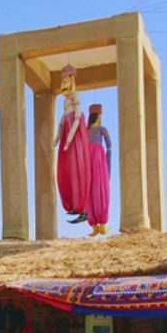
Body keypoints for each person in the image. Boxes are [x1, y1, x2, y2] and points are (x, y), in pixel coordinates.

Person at [56, 65, 91, 222]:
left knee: (78, 166)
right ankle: (72, 203)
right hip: (67, 132)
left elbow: (77, 118)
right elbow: (63, 119)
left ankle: (80, 206)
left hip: (74, 134)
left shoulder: (76, 95)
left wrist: (70, 139)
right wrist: (58, 137)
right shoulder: (66, 100)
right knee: (68, 168)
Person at [80, 103, 112, 236]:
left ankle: (102, 223)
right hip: (88, 160)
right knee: (88, 189)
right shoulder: (85, 130)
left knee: (99, 188)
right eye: (99, 116)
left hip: (98, 160)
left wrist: (108, 164)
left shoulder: (102, 129)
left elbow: (109, 146)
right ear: (96, 116)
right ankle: (93, 224)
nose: (100, 118)